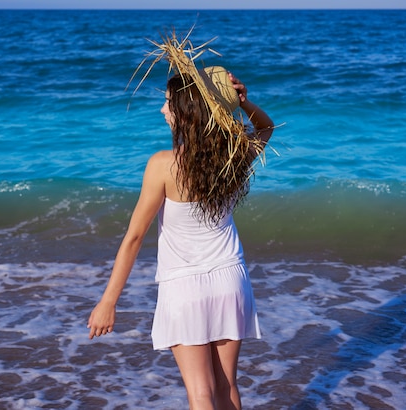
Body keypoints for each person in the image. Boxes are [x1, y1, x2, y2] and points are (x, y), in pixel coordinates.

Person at [88, 64, 274, 409]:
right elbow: (266, 128)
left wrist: (108, 302)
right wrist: (244, 102)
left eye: (168, 103)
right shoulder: (233, 158)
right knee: (226, 386)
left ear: (187, 112)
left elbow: (134, 237)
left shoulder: (163, 164)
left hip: (184, 287)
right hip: (230, 281)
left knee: (200, 393)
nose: (162, 109)